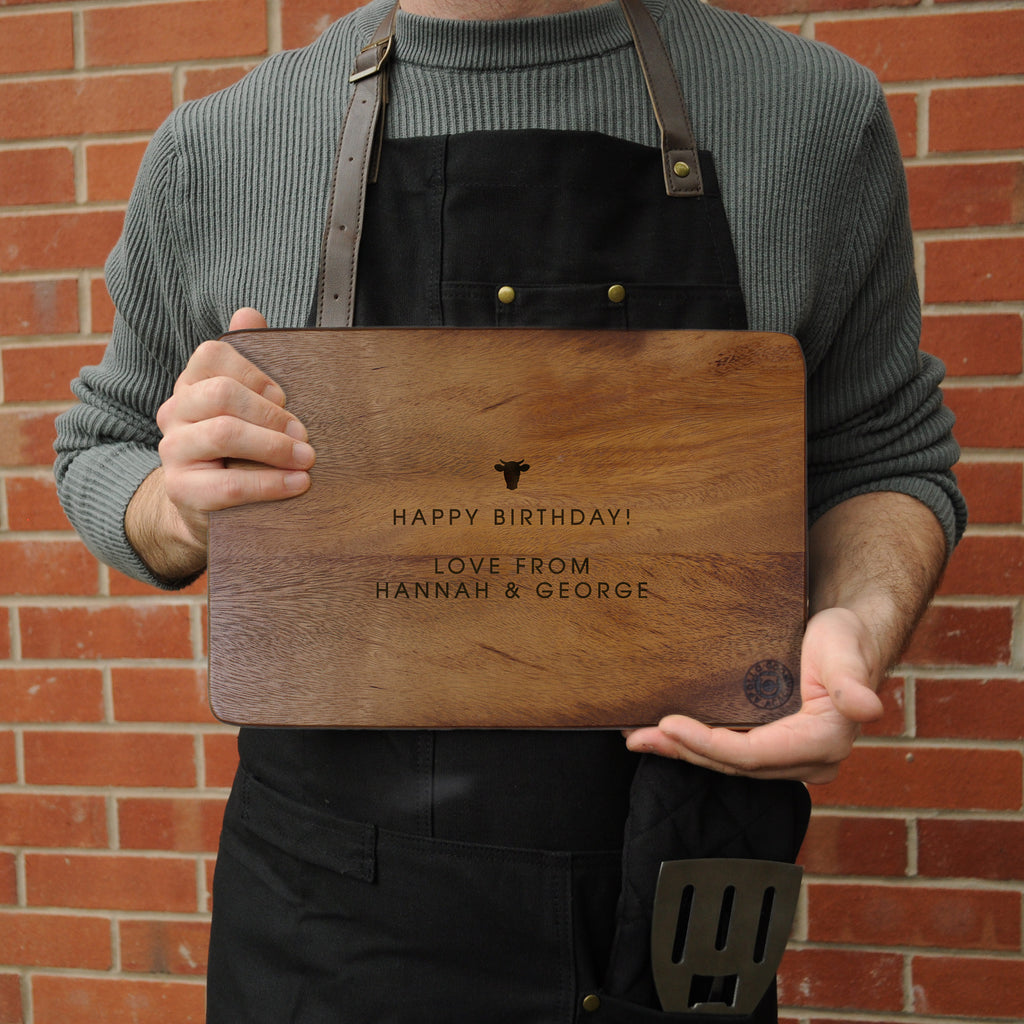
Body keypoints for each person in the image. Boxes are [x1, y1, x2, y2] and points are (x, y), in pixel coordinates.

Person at [54, 0, 966, 1020]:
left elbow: (882, 454)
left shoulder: (809, 116)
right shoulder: (221, 148)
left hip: (682, 909)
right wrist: (176, 509)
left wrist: (857, 627)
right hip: (326, 930)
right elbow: (104, 445)